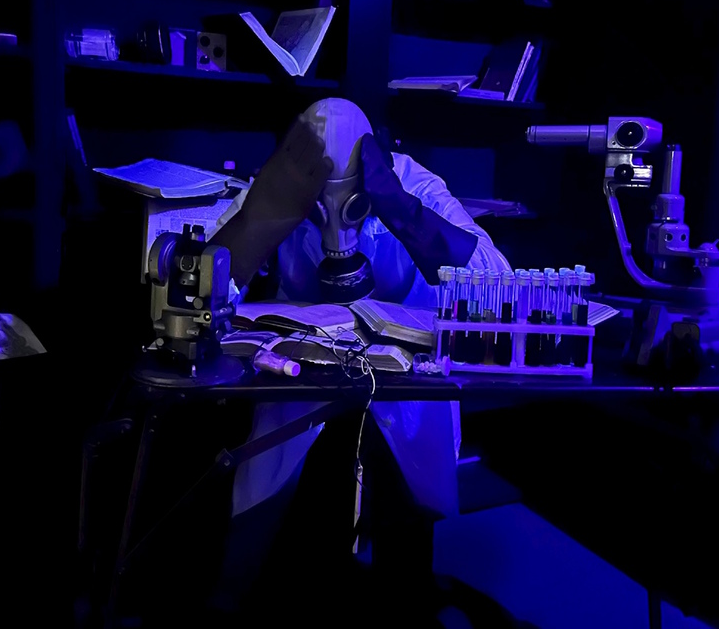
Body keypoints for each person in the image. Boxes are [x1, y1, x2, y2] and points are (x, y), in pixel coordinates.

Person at [207, 98, 511, 618]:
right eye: (321, 212)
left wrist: (400, 210)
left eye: (349, 209)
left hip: (406, 389)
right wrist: (264, 217)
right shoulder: (283, 181)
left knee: (402, 544)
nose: (337, 235)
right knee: (277, 543)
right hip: (302, 386)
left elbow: (501, 286)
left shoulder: (412, 185)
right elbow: (199, 291)